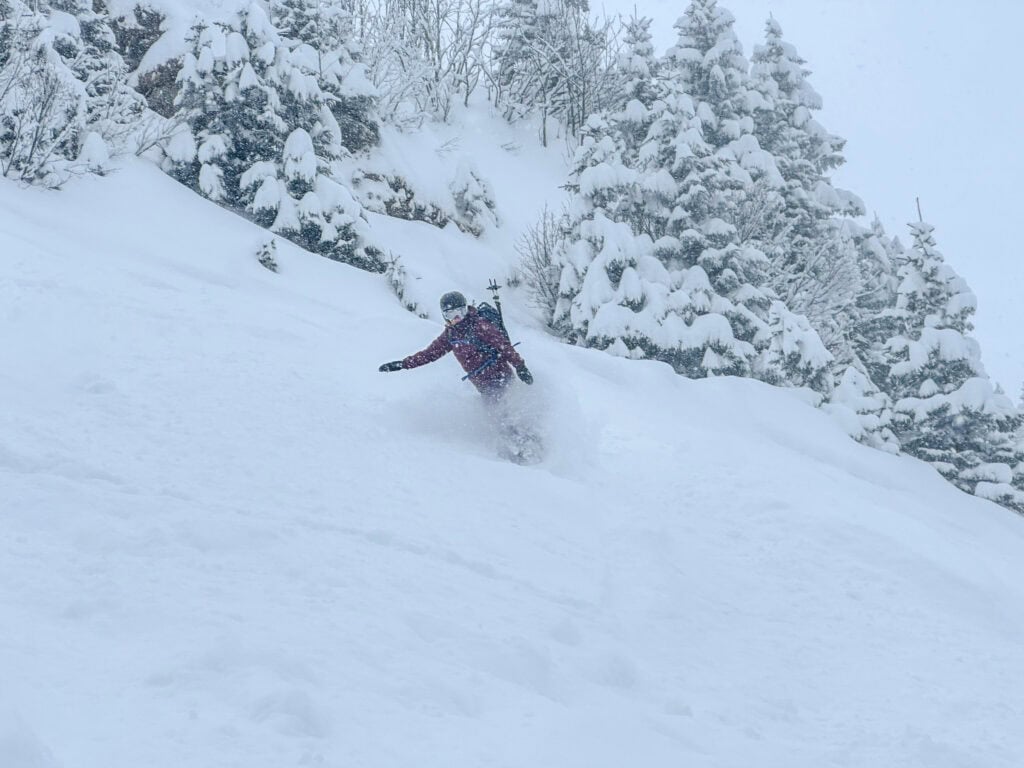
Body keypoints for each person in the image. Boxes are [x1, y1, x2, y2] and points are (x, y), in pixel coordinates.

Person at [379, 291, 533, 400]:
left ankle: (526, 441)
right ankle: (511, 442)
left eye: (460, 311)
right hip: (481, 384)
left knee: (505, 413)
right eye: (451, 314)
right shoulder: (450, 335)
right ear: (444, 316)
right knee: (497, 415)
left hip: (500, 376)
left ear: (466, 309)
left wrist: (520, 366)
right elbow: (429, 354)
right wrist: (403, 364)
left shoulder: (480, 326)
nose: (457, 318)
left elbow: (504, 347)